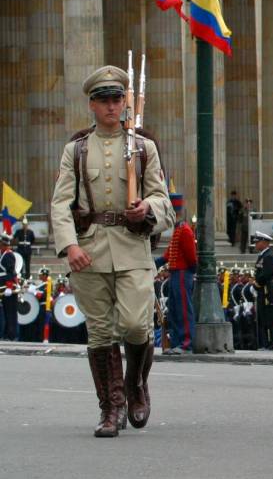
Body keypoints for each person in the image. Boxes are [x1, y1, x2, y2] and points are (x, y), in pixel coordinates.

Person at [49, 65, 174, 436]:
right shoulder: (76, 150)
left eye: (117, 98)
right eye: (103, 100)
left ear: (125, 102)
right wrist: (69, 245)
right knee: (101, 334)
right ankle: (111, 407)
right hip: (89, 249)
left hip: (132, 248)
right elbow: (60, 204)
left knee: (137, 326)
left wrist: (147, 209)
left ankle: (136, 384)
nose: (111, 106)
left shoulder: (142, 147)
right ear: (91, 104)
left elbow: (163, 201)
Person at [163, 195, 197, 353]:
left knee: (184, 309)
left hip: (183, 274)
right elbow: (168, 254)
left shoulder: (185, 230)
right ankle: (176, 342)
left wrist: (191, 271)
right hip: (175, 273)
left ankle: (186, 344)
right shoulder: (178, 230)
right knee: (174, 309)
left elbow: (191, 257)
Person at [251, 232, 273, 351]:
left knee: (269, 318)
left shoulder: (268, 256)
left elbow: (266, 274)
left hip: (267, 291)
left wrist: (256, 284)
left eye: (257, 242)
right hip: (262, 291)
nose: (255, 244)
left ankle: (272, 345)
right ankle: (266, 344)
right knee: (263, 317)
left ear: (264, 243)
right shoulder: (263, 255)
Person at [0, 232, 17, 340]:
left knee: (10, 312)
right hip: (2, 286)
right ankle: (5, 333)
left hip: (8, 287)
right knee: (5, 312)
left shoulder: (9, 254)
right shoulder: (2, 254)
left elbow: (11, 273)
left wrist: (10, 287)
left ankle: (11, 335)